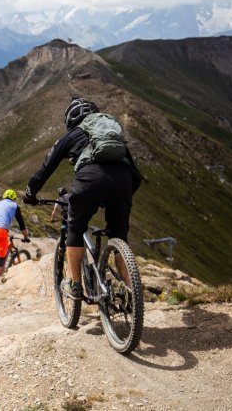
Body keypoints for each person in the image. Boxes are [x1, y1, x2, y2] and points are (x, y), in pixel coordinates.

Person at [23, 97, 142, 300]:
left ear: (71, 118)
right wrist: (119, 197)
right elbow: (135, 173)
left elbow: (46, 168)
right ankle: (131, 292)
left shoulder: (72, 134)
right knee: (119, 235)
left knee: (75, 228)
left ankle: (75, 285)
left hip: (90, 178)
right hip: (125, 179)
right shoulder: (113, 132)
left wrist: (30, 194)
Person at [0, 189, 31, 280]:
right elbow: (21, 224)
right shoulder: (15, 206)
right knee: (2, 254)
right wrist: (25, 237)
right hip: (0, 231)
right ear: (14, 198)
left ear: (4, 196)